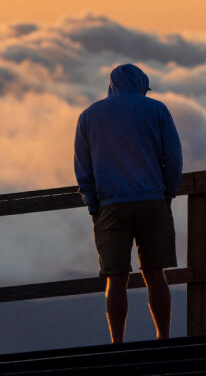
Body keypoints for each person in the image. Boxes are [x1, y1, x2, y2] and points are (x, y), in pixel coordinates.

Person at [74, 63, 183, 343]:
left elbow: (83, 169)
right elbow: (173, 158)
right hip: (152, 201)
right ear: (141, 86)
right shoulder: (157, 110)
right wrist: (167, 194)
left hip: (110, 206)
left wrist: (94, 206)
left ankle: (118, 344)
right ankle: (163, 338)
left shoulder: (89, 116)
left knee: (116, 278)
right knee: (155, 273)